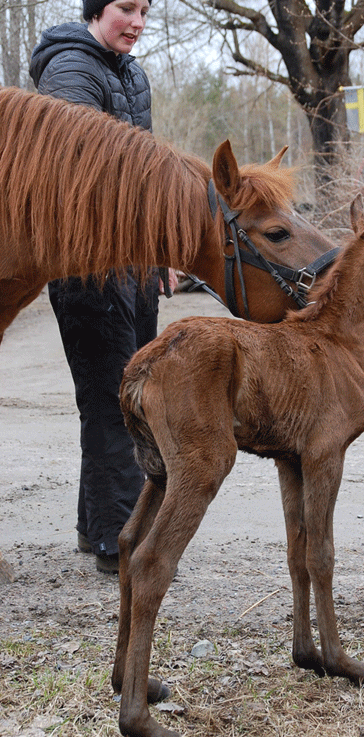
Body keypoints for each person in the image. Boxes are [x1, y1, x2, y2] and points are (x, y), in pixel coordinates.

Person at [29, 0, 176, 574]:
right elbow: (84, 177)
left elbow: (147, 175)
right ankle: (120, 540)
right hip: (84, 266)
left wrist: (159, 247)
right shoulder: (69, 69)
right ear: (96, 10)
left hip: (132, 264)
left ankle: (98, 528)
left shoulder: (132, 73)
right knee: (112, 400)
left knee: (132, 394)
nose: (137, 22)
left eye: (144, 10)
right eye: (126, 8)